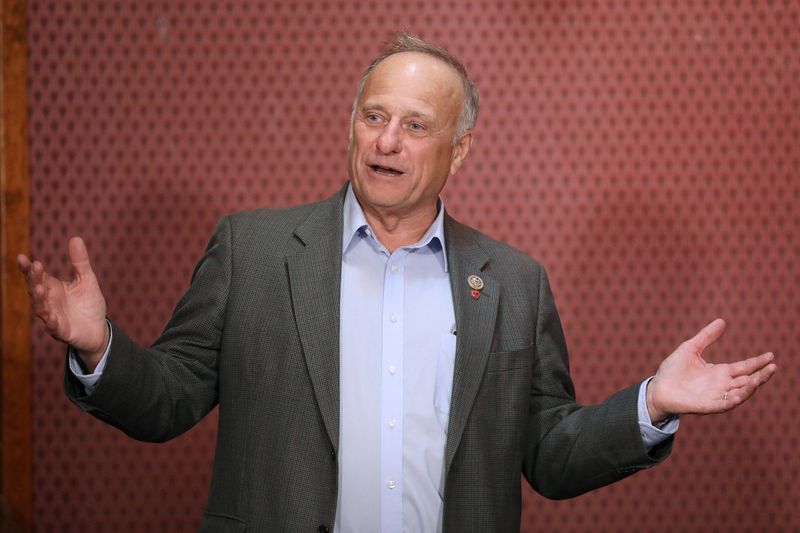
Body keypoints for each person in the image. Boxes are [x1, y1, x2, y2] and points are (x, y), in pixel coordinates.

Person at [18, 33, 776, 533]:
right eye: (373, 116)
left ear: (460, 149)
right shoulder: (251, 251)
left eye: (415, 125)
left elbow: (549, 453)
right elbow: (171, 396)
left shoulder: (513, 283)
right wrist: (99, 349)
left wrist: (651, 403)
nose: (386, 140)